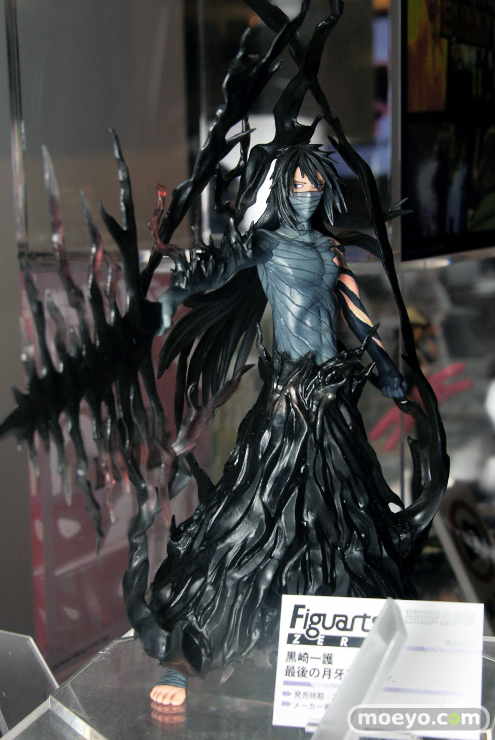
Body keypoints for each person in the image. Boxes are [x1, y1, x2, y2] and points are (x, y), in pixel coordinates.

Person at [125, 144, 408, 705]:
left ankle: (343, 652)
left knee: (344, 528)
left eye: (314, 186)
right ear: (282, 189)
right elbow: (218, 267)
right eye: (297, 185)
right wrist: (174, 293)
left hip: (332, 401)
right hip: (286, 407)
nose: (307, 194)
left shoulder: (328, 247)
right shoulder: (268, 243)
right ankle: (186, 654)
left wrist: (386, 366)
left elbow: (355, 313)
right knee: (248, 525)